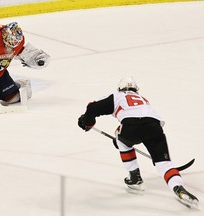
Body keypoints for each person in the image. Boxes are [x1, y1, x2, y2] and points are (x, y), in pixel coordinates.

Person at [78, 76, 199, 208]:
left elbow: (92, 107)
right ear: (136, 89)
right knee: (164, 164)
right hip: (154, 126)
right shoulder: (143, 100)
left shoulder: (118, 95)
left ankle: (135, 177)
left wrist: (88, 122)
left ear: (120, 88)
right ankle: (179, 188)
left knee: (120, 138)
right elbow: (147, 122)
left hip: (131, 126)